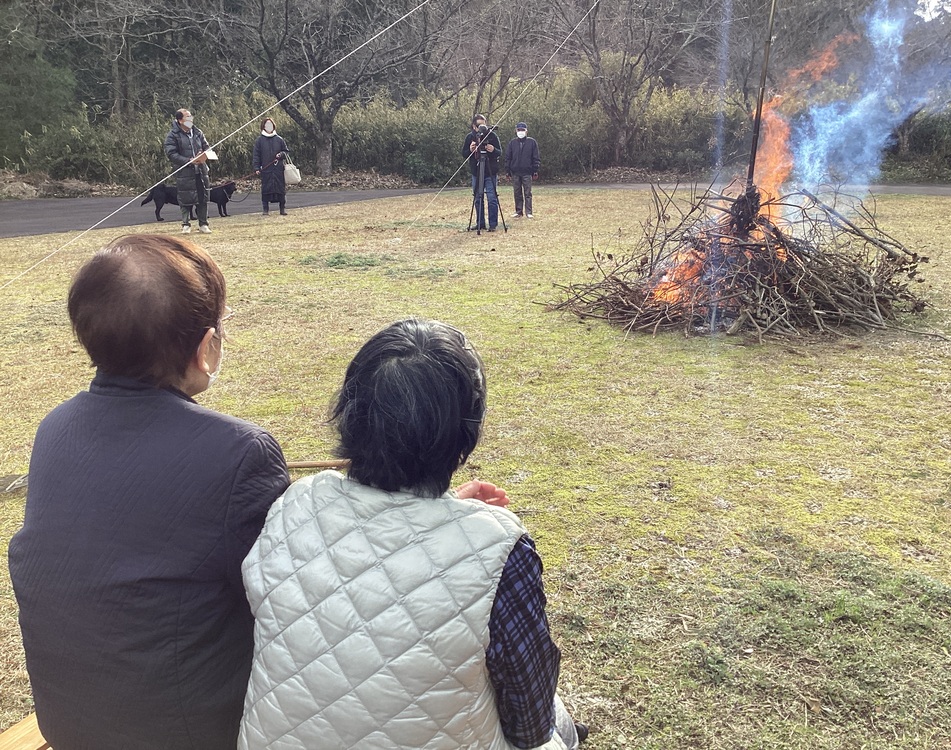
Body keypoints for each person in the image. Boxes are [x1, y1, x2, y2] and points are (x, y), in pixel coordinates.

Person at [240, 318, 587, 750]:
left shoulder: (294, 503)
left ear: (348, 414)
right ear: (467, 431)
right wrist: (463, 531)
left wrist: (452, 519)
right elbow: (529, 723)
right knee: (559, 727)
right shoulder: (501, 551)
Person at [8, 234, 290, 750]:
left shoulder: (55, 428)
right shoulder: (239, 452)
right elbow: (286, 599)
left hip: (70, 720)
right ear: (206, 348)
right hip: (184, 732)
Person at [164, 108, 213, 234]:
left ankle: (203, 223)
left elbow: (207, 147)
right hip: (184, 172)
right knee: (185, 197)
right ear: (180, 120)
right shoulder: (173, 135)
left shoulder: (198, 132)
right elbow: (171, 154)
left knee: (203, 197)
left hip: (201, 170)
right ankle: (186, 224)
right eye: (187, 117)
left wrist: (204, 154)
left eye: (191, 116)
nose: (191, 119)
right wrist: (188, 160)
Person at [463, 113, 502, 231]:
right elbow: (464, 154)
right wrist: (470, 150)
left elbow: (499, 152)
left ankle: (493, 224)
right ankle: (480, 223)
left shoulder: (492, 136)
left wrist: (493, 149)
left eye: (484, 125)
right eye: (479, 125)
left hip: (490, 172)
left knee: (492, 197)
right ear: (474, 127)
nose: (482, 128)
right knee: (478, 198)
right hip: (477, 172)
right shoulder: (470, 137)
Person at [253, 117, 290, 216]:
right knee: (266, 190)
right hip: (266, 169)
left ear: (273, 125)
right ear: (263, 126)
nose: (269, 126)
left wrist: (281, 155)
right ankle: (265, 210)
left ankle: (282, 209)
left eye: (270, 124)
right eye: (267, 124)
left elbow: (286, 152)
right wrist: (257, 167)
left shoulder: (279, 139)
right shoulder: (259, 140)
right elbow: (256, 155)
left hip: (278, 169)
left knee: (281, 189)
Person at [506, 122, 540, 219]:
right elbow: (508, 157)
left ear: (526, 131)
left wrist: (535, 170)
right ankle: (518, 211)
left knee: (527, 193)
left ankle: (529, 212)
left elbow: (536, 157)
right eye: (519, 130)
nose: (520, 132)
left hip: (527, 172)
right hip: (515, 172)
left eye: (522, 130)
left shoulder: (532, 142)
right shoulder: (512, 143)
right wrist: (508, 171)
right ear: (516, 131)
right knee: (517, 192)